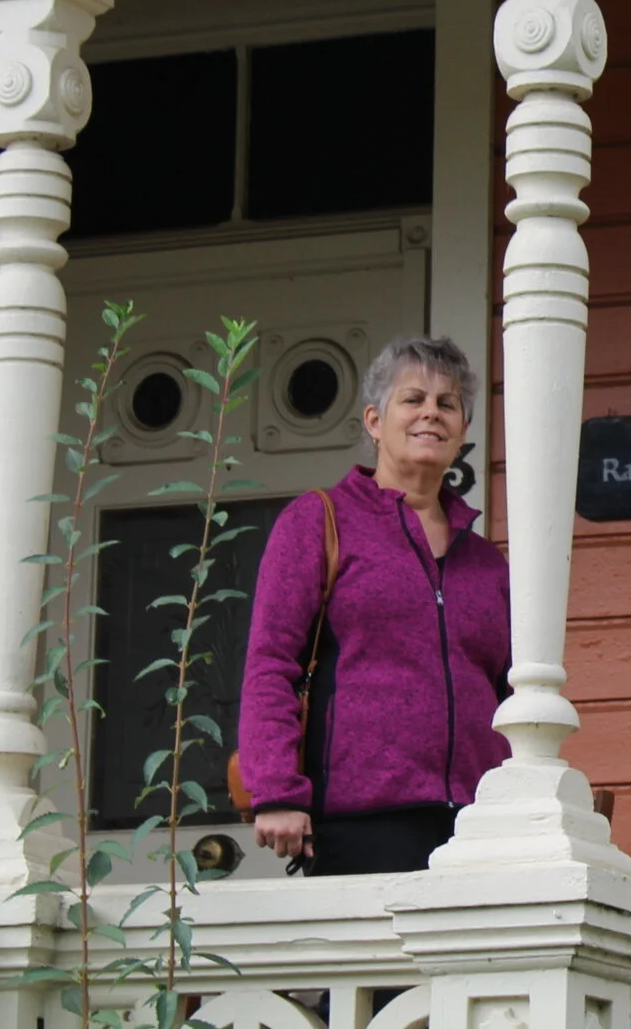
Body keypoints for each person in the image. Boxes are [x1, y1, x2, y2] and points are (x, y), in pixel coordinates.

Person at [239, 334, 510, 875]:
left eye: (448, 403)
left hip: (484, 824)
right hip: (360, 821)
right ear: (373, 421)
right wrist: (276, 790)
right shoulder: (319, 522)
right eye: (413, 399)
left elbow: (509, 690)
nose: (431, 413)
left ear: (462, 431)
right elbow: (272, 665)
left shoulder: (485, 561)